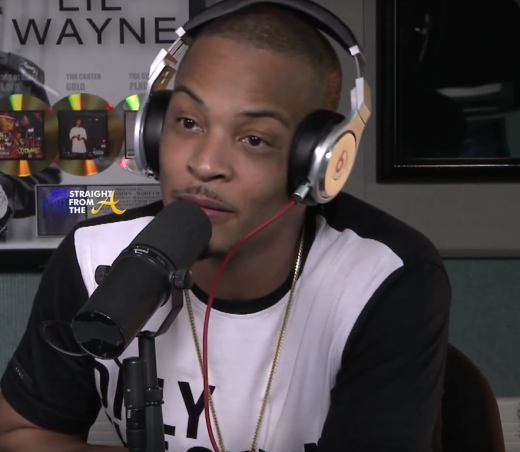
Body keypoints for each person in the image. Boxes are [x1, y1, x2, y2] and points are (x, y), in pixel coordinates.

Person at [0, 3, 451, 452]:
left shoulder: (382, 279)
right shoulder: (95, 255)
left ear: (318, 162)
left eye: (254, 139)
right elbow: (21, 433)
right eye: (188, 122)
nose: (205, 163)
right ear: (151, 134)